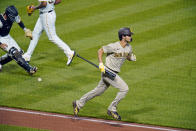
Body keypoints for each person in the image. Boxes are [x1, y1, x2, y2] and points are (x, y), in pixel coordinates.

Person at [72, 27, 136, 120]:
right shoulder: (114, 46)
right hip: (108, 71)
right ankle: (112, 109)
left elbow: (127, 56)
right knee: (124, 88)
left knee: (97, 91)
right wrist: (101, 63)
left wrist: (131, 58)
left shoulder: (129, 47)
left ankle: (78, 103)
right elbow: (100, 50)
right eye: (129, 35)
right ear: (123, 36)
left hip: (113, 72)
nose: (130, 37)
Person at [23, 0, 75, 66]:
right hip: (47, 14)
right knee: (35, 34)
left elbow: (44, 3)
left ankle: (69, 52)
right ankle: (27, 56)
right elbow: (58, 1)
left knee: (52, 37)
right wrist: (51, 4)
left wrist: (34, 8)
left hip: (46, 16)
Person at [0, 5, 37, 75]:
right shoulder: (0, 21)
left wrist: (25, 30)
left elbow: (19, 21)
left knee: (19, 52)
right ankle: (29, 69)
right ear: (8, 15)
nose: (14, 19)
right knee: (14, 52)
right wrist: (0, 44)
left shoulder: (12, 15)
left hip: (7, 36)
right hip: (1, 38)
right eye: (13, 17)